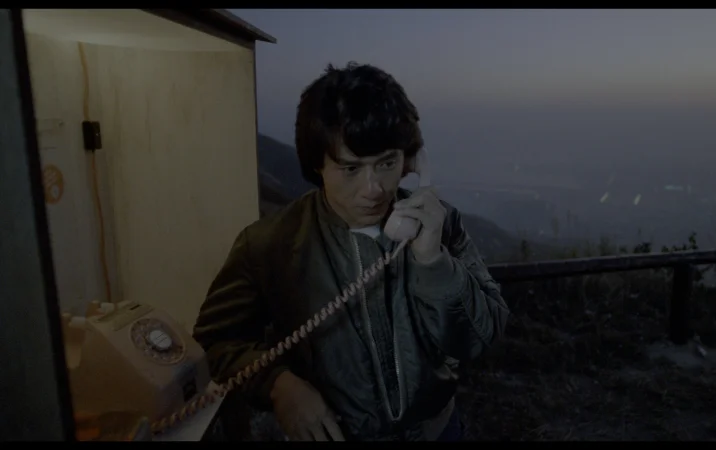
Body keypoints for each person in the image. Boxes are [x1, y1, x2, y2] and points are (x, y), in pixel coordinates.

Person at [192, 62, 509, 441]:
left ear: (410, 161)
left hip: (439, 432)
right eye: (350, 169)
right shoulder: (268, 244)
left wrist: (433, 262)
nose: (373, 189)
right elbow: (215, 342)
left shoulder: (439, 224)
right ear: (318, 165)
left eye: (387, 163)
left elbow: (483, 336)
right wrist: (278, 384)